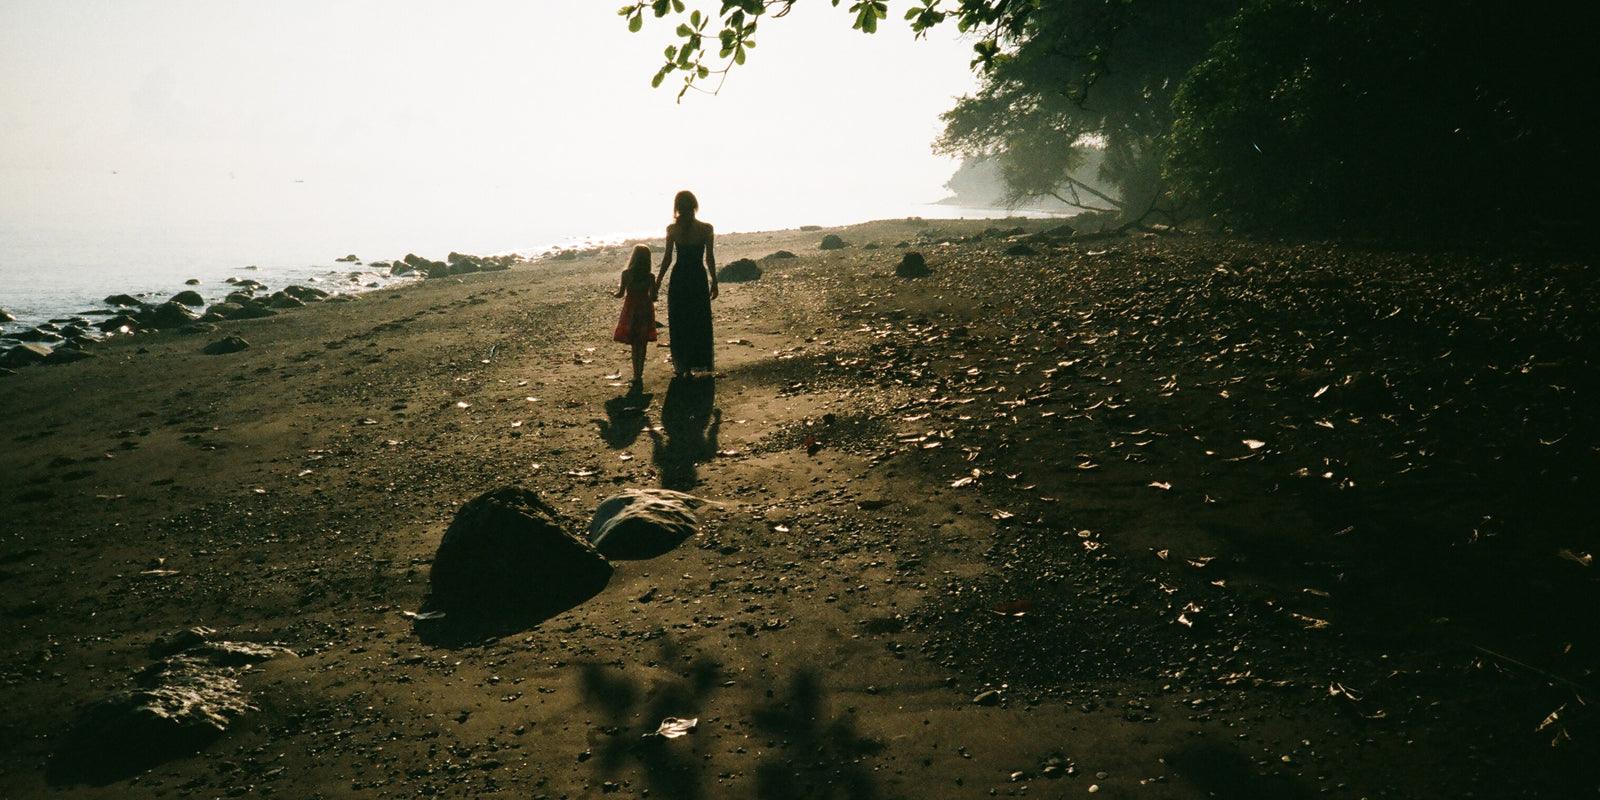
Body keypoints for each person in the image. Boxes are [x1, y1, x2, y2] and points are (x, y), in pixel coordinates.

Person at [654, 190, 717, 377]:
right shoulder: (706, 229)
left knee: (680, 320)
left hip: (680, 277)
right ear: (695, 206)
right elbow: (709, 258)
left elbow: (667, 259)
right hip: (697, 277)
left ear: (677, 207)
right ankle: (698, 361)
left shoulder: (672, 229)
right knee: (698, 320)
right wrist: (714, 280)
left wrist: (658, 282)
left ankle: (685, 366)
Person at [612, 244, 657, 386]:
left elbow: (620, 294)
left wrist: (613, 294)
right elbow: (654, 296)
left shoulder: (626, 274)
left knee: (634, 343)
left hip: (631, 309)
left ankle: (635, 374)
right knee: (642, 343)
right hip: (645, 308)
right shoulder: (650, 276)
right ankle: (639, 373)